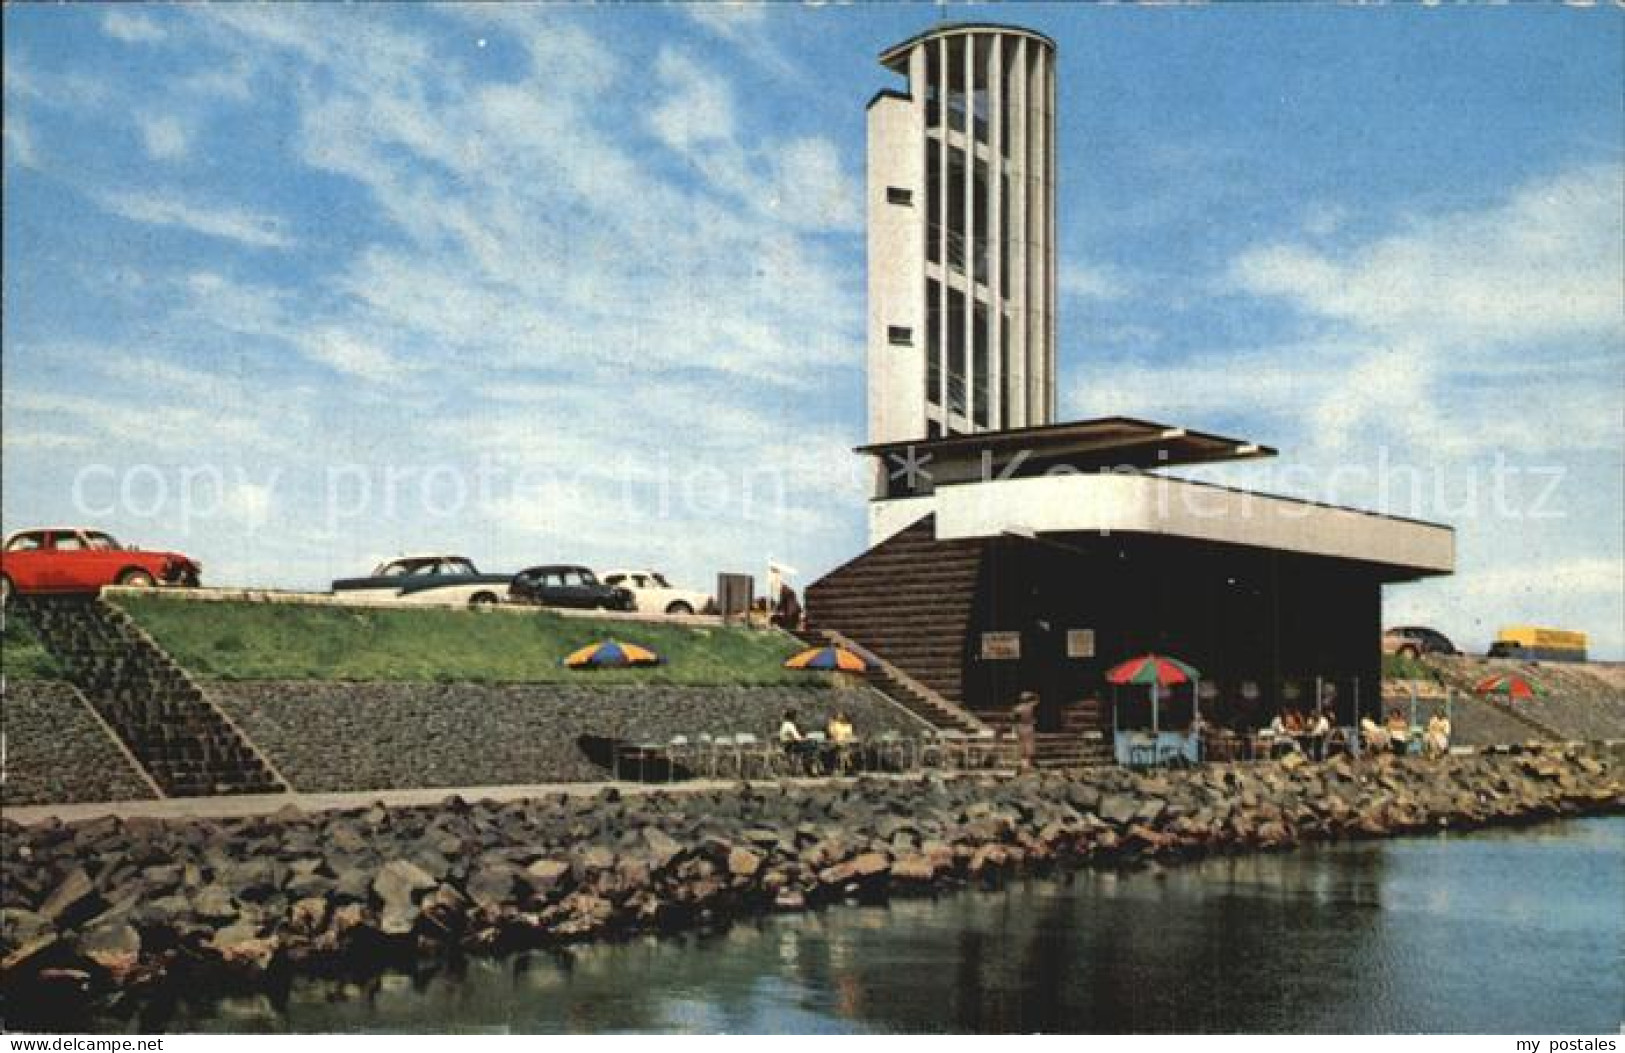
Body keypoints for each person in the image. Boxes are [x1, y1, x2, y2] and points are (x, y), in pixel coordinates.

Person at [1011, 691, 1039, 771]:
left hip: (1024, 727)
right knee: (1026, 745)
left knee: (1025, 745)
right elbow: (1013, 718)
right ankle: (1026, 765)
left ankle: (1026, 765)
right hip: (1025, 727)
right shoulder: (1029, 707)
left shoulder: (1019, 708)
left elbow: (1013, 718)